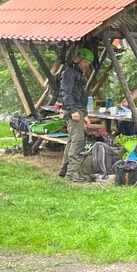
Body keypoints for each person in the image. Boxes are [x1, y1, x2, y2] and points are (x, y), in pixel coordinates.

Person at [58, 47, 93, 182]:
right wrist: (73, 110)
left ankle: (65, 171)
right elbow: (65, 93)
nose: (87, 65)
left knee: (71, 141)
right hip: (73, 110)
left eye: (88, 63)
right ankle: (72, 173)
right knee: (77, 142)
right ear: (78, 59)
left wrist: (85, 114)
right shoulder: (69, 73)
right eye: (85, 62)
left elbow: (80, 96)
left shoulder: (78, 74)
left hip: (78, 110)